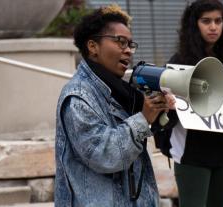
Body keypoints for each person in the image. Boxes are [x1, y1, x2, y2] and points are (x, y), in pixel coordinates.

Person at [54, 4, 175, 207]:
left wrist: (162, 113)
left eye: (130, 44)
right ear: (92, 47)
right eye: (120, 42)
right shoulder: (78, 97)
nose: (128, 51)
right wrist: (143, 118)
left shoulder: (121, 92)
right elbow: (103, 154)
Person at [155, 1, 223, 207]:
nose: (213, 27)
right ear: (194, 25)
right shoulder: (178, 62)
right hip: (192, 155)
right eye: (206, 21)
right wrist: (168, 105)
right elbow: (164, 118)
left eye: (218, 21)